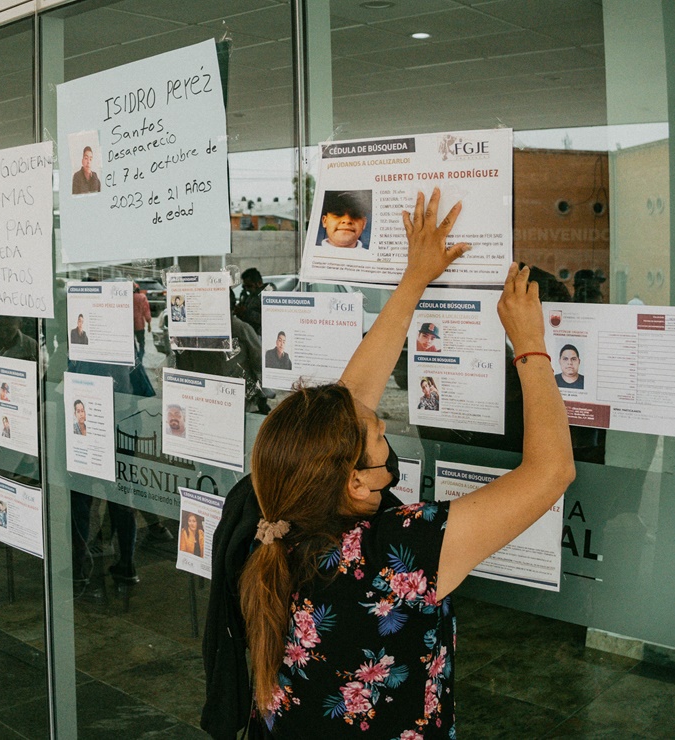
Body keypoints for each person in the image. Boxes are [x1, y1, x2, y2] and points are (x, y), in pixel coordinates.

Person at [207, 189, 575, 737]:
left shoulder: (267, 507)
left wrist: (415, 278)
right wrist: (530, 345)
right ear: (354, 480)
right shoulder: (396, 555)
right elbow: (551, 473)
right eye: (379, 434)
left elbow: (349, 405)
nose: (383, 428)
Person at [234, 268, 269, 335]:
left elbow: (266, 319)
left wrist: (246, 312)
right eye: (245, 286)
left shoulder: (266, 296)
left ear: (259, 283)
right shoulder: (251, 296)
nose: (247, 289)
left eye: (249, 286)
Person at [133, 283, 151, 360]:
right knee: (141, 342)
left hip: (128, 325)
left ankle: (135, 356)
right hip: (139, 324)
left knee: (132, 344)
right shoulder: (142, 297)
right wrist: (149, 322)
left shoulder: (126, 297)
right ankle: (140, 358)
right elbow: (146, 311)